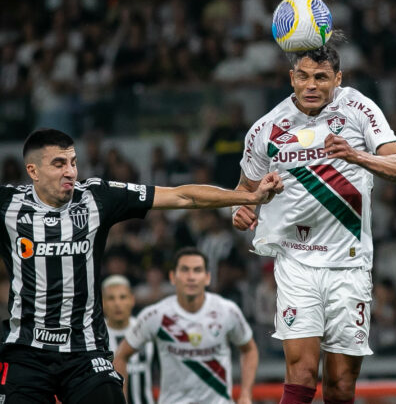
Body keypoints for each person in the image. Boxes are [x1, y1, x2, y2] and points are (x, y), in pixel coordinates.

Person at [0, 128, 282, 404]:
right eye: (59, 164)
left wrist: (249, 196)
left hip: (84, 352)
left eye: (73, 162)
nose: (70, 172)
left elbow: (182, 196)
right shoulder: (8, 205)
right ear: (33, 171)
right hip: (25, 352)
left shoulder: (97, 196)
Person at [232, 45, 396, 404]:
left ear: (338, 79)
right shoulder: (266, 129)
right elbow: (244, 190)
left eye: (321, 77)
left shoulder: (358, 108)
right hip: (296, 262)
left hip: (350, 263)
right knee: (301, 373)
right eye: (303, 76)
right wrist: (242, 210)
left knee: (341, 385)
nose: (311, 85)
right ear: (291, 78)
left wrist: (355, 155)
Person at [114, 248, 258, 404]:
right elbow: (121, 355)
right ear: (172, 277)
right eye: (184, 270)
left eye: (197, 270)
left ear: (207, 277)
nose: (191, 277)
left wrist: (245, 394)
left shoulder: (227, 311)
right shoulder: (156, 315)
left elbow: (249, 349)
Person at [103, 275, 155, 404]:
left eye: (122, 297)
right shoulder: (94, 336)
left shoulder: (146, 330)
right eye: (111, 298)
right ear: (102, 303)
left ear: (132, 300)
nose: (117, 304)